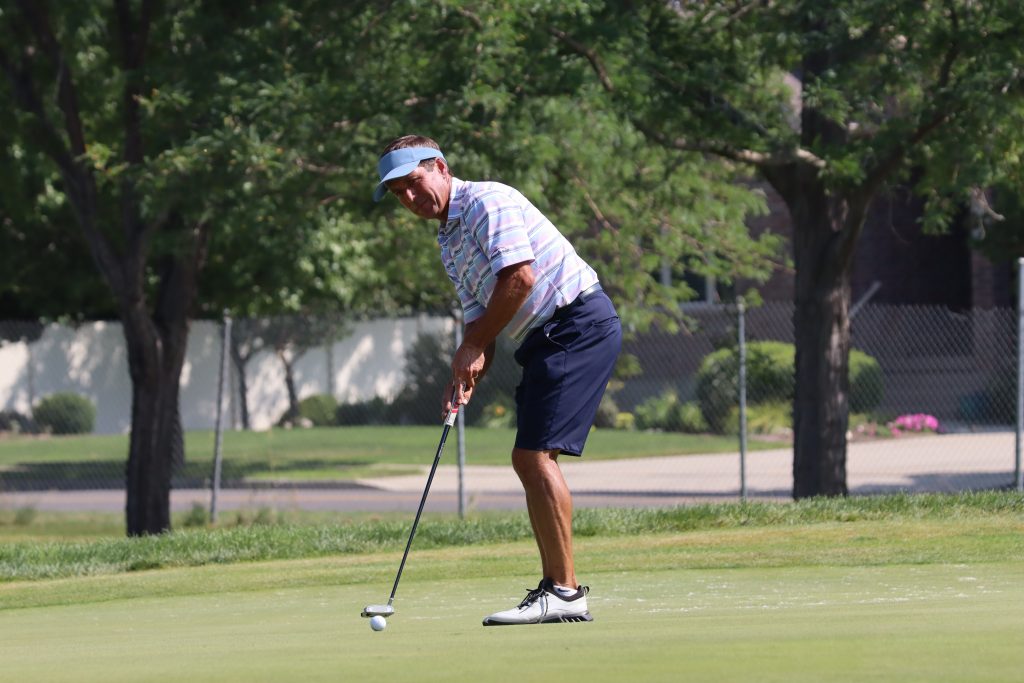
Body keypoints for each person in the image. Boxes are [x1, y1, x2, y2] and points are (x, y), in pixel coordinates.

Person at [373, 135, 622, 625]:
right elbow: (479, 317)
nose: (408, 197)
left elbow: (520, 280)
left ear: (440, 168)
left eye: (413, 182)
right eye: (398, 192)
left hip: (576, 323)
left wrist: (473, 346)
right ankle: (559, 589)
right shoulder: (448, 241)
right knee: (529, 457)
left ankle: (565, 593)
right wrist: (466, 371)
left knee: (532, 455)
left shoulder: (489, 200)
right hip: (545, 337)